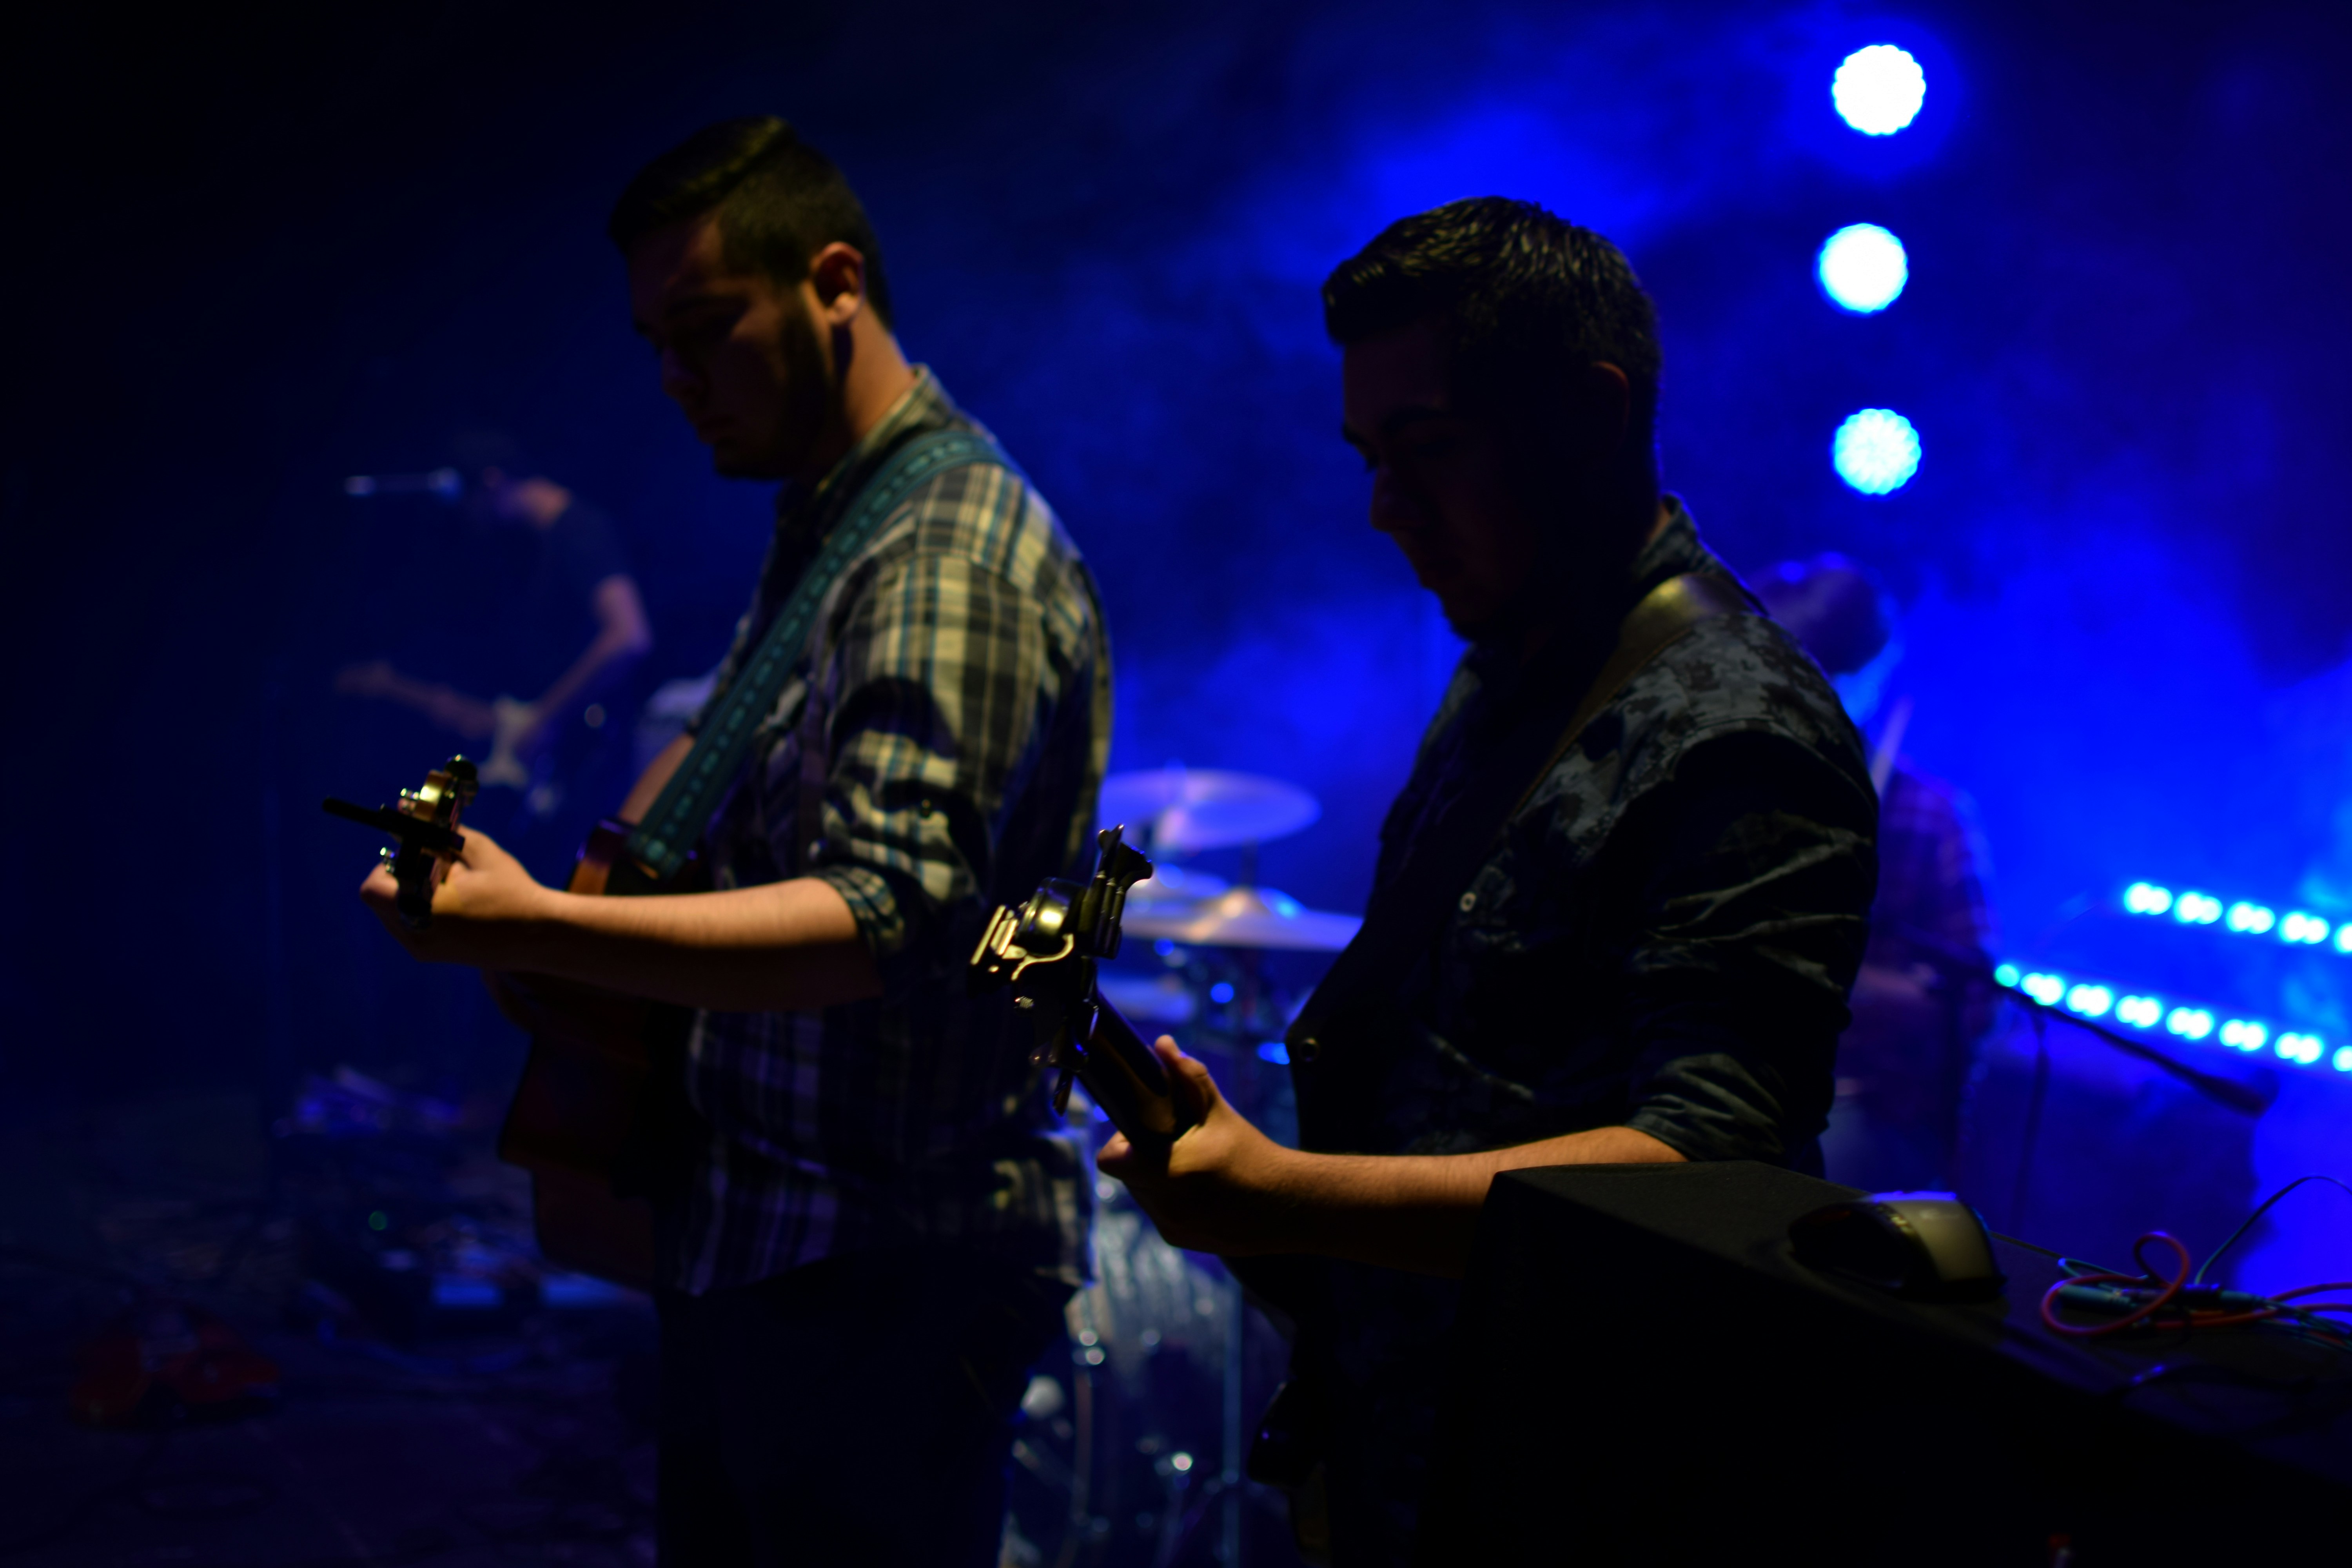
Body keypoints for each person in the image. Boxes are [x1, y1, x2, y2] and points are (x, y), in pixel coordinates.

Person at [355, 116, 1109, 1566]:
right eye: (654, 341)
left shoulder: (941, 545)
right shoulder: (837, 513)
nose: (673, 380)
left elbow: (889, 916)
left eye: (705, 328)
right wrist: (608, 868)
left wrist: (541, 927)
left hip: (879, 1273)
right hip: (771, 1245)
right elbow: (739, 732)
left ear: (833, 282)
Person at [1094, 198, 1879, 1564]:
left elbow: (1710, 1165)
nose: (1387, 510)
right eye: (1368, 459)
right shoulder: (1513, 661)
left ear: (1588, 413)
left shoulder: (1741, 729)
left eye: (1430, 450)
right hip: (1428, 1456)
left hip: (1598, 1494)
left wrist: (1279, 1195)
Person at [1752, 555, 1998, 1193]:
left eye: (1811, 673)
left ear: (1864, 679)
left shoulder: (1929, 815)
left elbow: (1970, 1003)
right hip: (1716, 1079)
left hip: (1856, 1104)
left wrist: (1836, 983)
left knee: (1815, 1154)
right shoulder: (1720, 788)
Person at [336, 440, 655, 861]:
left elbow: (629, 634)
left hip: (600, 763)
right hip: (567, 769)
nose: (470, 520)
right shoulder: (538, 551)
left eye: (468, 503)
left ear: (491, 482)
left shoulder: (579, 531)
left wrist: (545, 718)